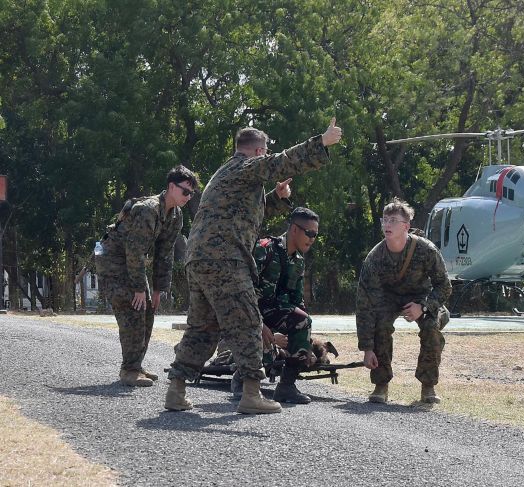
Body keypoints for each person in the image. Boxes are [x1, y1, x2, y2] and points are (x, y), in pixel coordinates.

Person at [164, 119, 342, 414]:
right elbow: (280, 163)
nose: (266, 157)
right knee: (248, 322)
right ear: (258, 151)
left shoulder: (227, 175)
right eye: (265, 152)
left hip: (200, 260)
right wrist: (320, 142)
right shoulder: (245, 166)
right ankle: (251, 393)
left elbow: (243, 215)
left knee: (203, 328)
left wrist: (276, 199)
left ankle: (176, 389)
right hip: (226, 260)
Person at [95, 165, 199, 387]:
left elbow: (165, 253)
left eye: (192, 193)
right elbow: (134, 251)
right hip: (113, 261)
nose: (188, 197)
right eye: (185, 191)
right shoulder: (148, 210)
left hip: (131, 262)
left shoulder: (175, 216)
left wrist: (159, 289)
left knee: (148, 311)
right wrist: (139, 288)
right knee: (133, 308)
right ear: (171, 187)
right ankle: (129, 370)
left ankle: (136, 365)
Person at [356, 198, 452, 404]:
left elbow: (444, 285)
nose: (387, 225)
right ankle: (380, 385)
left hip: (421, 296)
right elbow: (365, 304)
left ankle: (428, 386)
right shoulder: (375, 258)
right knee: (380, 323)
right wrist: (367, 349)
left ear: (406, 226)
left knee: (431, 326)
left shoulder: (426, 250)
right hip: (389, 298)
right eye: (385, 220)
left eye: (393, 221)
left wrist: (424, 307)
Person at [230, 207, 320, 404]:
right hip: (248, 313)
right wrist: (259, 325)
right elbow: (243, 290)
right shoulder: (265, 248)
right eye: (310, 233)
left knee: (303, 322)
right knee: (264, 346)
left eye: (316, 234)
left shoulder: (298, 261)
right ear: (295, 229)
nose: (312, 238)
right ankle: (241, 380)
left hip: (273, 314)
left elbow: (297, 303)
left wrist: (303, 342)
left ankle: (286, 387)